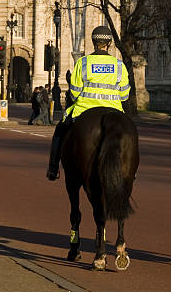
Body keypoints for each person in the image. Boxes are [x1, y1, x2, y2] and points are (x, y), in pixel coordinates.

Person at [46, 25, 130, 180]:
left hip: (84, 110)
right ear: (109, 43)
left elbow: (76, 92)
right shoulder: (119, 66)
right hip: (114, 111)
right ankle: (132, 171)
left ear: (93, 42)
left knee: (60, 131)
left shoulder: (83, 63)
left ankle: (53, 168)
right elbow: (124, 95)